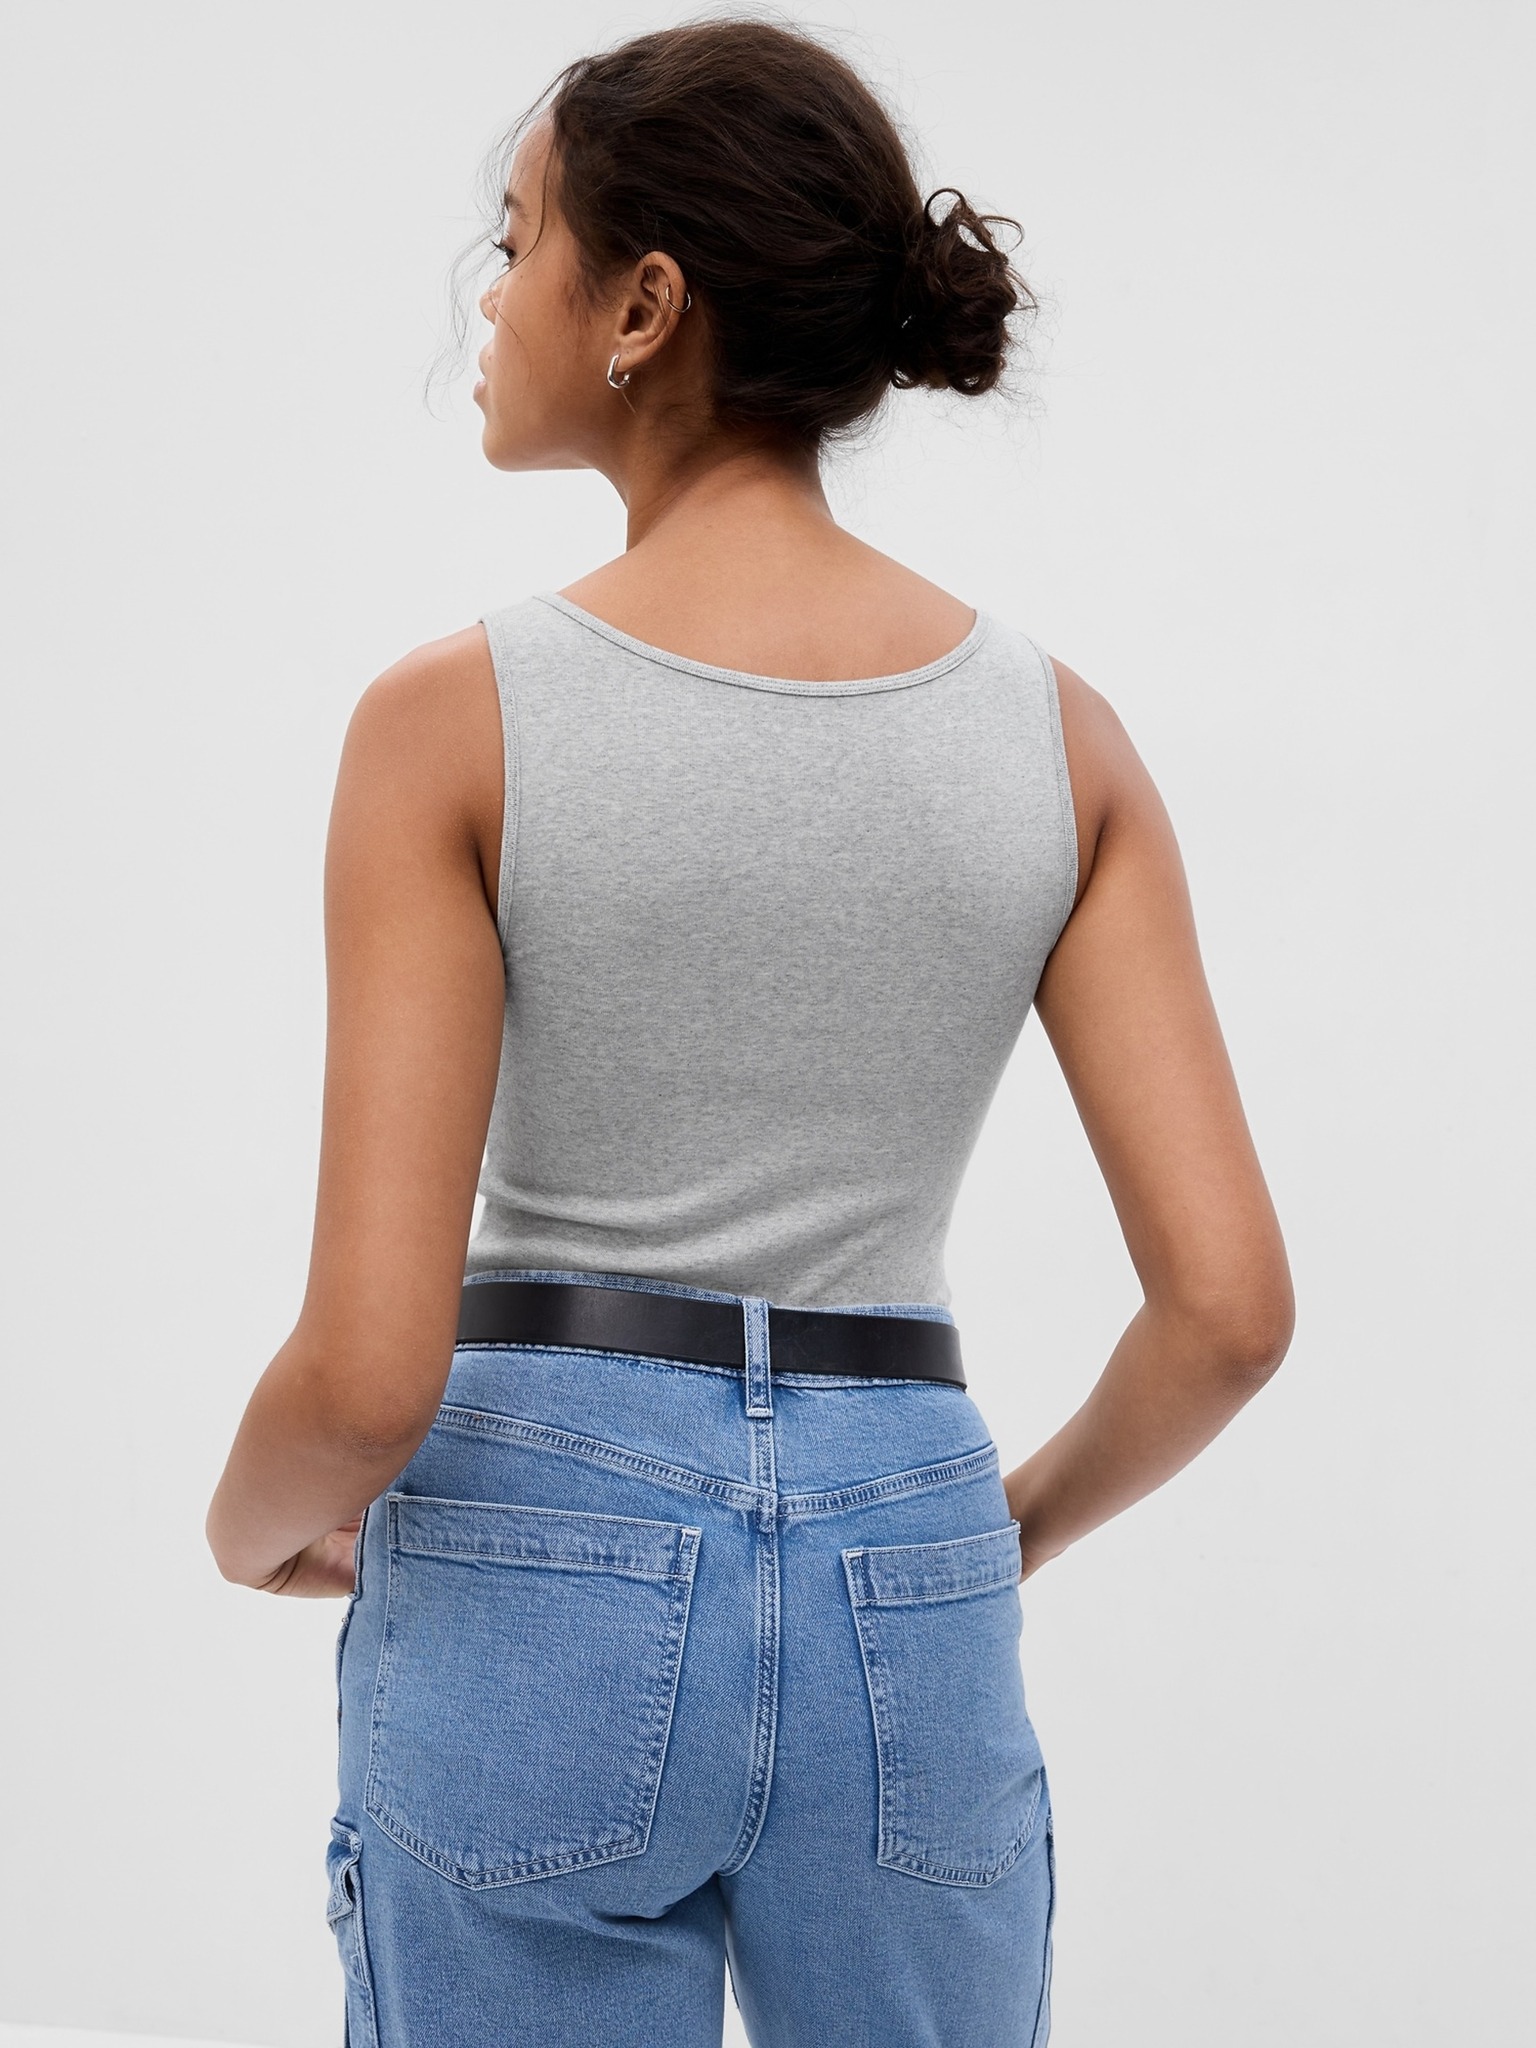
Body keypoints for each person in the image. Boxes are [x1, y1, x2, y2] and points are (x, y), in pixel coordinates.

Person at [205, 17, 1294, 2047]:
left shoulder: (452, 724)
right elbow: (1228, 1311)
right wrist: (982, 1536)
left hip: (535, 1543)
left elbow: (363, 1373)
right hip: (908, 1532)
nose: (489, 294)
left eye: (515, 240)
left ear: (643, 306)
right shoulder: (1064, 742)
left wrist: (240, 1527)